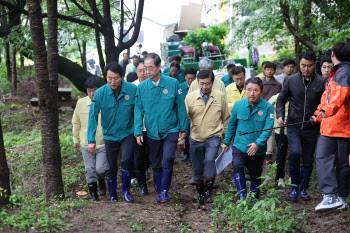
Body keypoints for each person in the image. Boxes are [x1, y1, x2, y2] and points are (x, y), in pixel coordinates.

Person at [134, 53, 188, 204]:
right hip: (152, 131)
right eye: (145, 69)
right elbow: (138, 111)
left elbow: (180, 107)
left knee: (168, 158)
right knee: (155, 161)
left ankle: (164, 192)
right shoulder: (142, 88)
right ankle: (160, 188)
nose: (148, 71)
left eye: (151, 68)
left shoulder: (172, 83)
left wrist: (183, 128)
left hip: (171, 128)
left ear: (159, 67)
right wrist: (138, 131)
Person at [277, 51, 326, 201]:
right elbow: (281, 100)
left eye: (309, 66)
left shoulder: (322, 83)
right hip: (293, 125)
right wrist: (280, 115)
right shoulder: (291, 81)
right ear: (300, 64)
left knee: (307, 158)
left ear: (314, 65)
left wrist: (318, 117)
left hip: (311, 126)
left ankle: (303, 189)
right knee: (295, 153)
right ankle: (294, 188)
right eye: (303, 65)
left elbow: (325, 105)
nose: (306, 69)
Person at [87, 62, 138, 203]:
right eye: (109, 78)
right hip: (110, 134)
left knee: (126, 160)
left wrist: (138, 130)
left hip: (128, 132)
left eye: (115, 78)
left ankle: (126, 191)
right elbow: (93, 117)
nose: (113, 82)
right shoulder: (100, 93)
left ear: (121, 76)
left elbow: (139, 111)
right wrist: (91, 140)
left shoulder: (132, 89)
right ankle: (113, 195)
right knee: (110, 166)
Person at [311, 41, 350, 211]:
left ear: (333, 54)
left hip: (341, 126)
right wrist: (317, 115)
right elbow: (327, 98)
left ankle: (337, 197)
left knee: (337, 163)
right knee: (329, 161)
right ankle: (334, 196)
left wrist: (326, 111)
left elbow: (339, 97)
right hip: (330, 126)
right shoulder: (335, 74)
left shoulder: (344, 72)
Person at [222, 77, 274, 201]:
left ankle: (253, 199)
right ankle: (242, 196)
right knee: (238, 166)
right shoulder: (238, 105)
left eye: (255, 90)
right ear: (245, 90)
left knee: (255, 174)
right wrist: (226, 141)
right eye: (249, 90)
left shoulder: (268, 108)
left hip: (257, 148)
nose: (252, 93)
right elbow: (231, 124)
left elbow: (268, 130)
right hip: (239, 144)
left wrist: (258, 143)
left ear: (261, 92)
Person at [185, 70, 230, 204]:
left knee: (210, 160)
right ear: (197, 83)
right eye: (202, 84)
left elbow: (226, 117)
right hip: (196, 136)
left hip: (213, 135)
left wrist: (225, 133)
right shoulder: (190, 98)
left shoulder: (220, 96)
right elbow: (185, 117)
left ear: (212, 82)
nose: (205, 87)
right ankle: (200, 193)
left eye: (208, 84)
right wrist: (182, 135)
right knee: (197, 166)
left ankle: (208, 191)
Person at [72, 77, 108, 201]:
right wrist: (75, 139)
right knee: (89, 169)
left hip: (102, 142)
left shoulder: (106, 102)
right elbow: (76, 122)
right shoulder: (81, 103)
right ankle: (93, 194)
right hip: (86, 142)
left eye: (95, 90)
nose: (92, 94)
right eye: (89, 91)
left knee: (100, 169)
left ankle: (101, 179)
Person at [131, 58, 149, 196]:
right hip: (137, 129)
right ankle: (143, 186)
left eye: (145, 70)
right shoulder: (132, 87)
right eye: (140, 71)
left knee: (152, 158)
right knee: (137, 159)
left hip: (153, 129)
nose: (143, 73)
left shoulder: (152, 85)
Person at [261, 61, 282, 164]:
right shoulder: (260, 83)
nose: (270, 71)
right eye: (267, 69)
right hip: (261, 110)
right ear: (263, 70)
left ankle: (268, 154)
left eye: (272, 69)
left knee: (272, 131)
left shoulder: (278, 85)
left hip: (273, 111)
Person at [268, 92, 289, 186]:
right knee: (281, 154)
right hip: (279, 130)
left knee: (294, 154)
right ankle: (279, 178)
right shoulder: (277, 97)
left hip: (294, 130)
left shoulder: (297, 95)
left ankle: (292, 177)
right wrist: (274, 116)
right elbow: (268, 105)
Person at [179, 68, 197, 162]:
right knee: (185, 137)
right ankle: (186, 153)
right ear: (185, 77)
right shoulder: (180, 87)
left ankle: (195, 156)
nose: (190, 80)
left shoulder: (198, 87)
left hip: (195, 116)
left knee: (195, 138)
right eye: (188, 78)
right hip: (184, 116)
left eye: (192, 78)